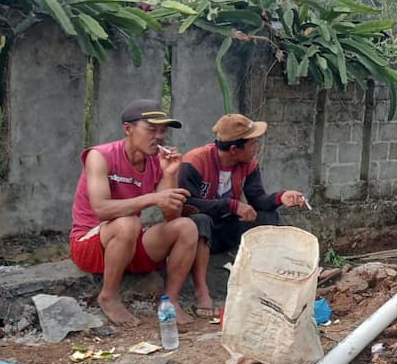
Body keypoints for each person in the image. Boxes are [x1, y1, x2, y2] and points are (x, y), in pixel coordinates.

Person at [69, 99, 199, 327]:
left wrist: (169, 174)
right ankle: (109, 295)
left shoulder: (157, 163)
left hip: (128, 243)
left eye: (163, 130)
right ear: (128, 129)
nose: (159, 136)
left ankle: (170, 301)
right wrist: (152, 198)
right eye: (151, 129)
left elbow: (171, 217)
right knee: (128, 223)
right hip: (89, 243)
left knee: (187, 227)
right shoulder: (100, 156)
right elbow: (101, 209)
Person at [178, 113, 309, 316]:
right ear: (234, 149)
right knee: (199, 221)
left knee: (268, 217)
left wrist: (281, 197)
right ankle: (201, 291)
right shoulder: (194, 163)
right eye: (252, 143)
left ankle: (292, 272)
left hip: (227, 228)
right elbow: (187, 204)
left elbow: (257, 199)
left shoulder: (249, 164)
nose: (256, 147)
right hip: (199, 235)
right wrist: (231, 206)